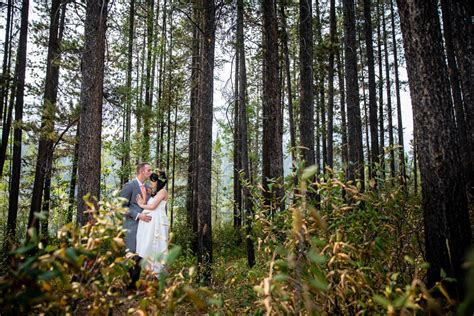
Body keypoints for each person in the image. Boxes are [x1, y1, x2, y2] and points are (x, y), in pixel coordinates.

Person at [120, 162, 153, 289]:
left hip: (145, 227)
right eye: (149, 170)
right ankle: (128, 285)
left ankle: (134, 284)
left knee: (140, 255)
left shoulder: (148, 188)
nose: (151, 173)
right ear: (142, 172)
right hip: (132, 226)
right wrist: (138, 216)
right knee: (132, 254)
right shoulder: (129, 186)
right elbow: (121, 207)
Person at [136, 171, 169, 274]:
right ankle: (150, 270)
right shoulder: (157, 192)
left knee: (157, 244)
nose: (151, 183)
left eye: (153, 181)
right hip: (152, 223)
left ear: (158, 181)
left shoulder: (163, 192)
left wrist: (141, 205)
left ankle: (157, 270)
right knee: (149, 245)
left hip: (158, 222)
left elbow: (153, 206)